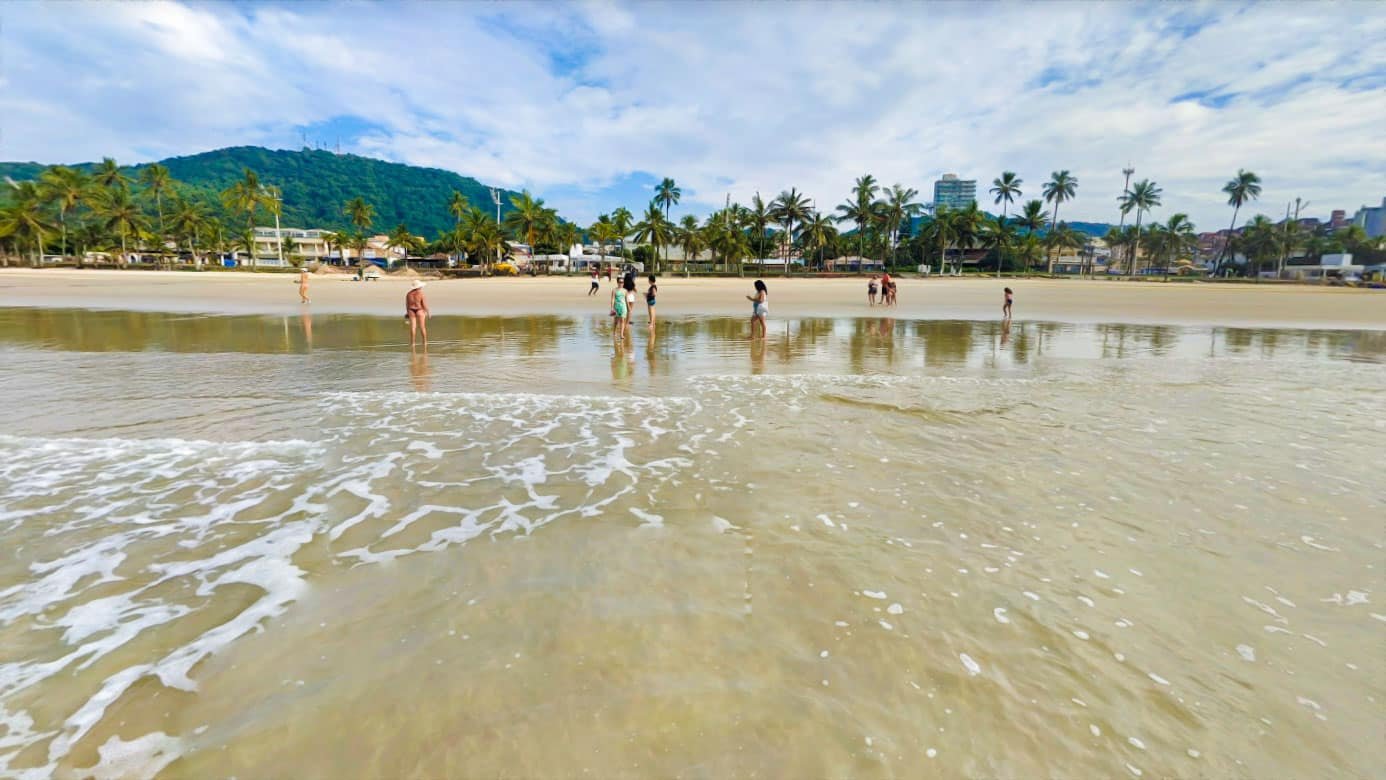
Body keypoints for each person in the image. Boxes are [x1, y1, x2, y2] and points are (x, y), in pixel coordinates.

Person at [405, 279, 429, 349]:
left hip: (411, 310)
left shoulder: (408, 294)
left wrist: (407, 312)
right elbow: (424, 304)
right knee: (422, 327)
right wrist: (428, 312)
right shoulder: (421, 293)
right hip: (419, 310)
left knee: (413, 327)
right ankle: (425, 342)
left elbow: (407, 304)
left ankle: (413, 343)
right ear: (419, 287)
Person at [610, 277, 628, 345]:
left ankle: (621, 334)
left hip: (623, 307)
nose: (621, 283)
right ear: (617, 282)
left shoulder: (625, 290)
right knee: (616, 321)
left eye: (622, 282)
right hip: (616, 307)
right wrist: (612, 308)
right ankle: (614, 333)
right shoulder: (614, 290)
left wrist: (628, 307)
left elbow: (626, 300)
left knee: (623, 320)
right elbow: (612, 299)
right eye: (620, 282)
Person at [623, 275, 638, 341]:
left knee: (625, 310)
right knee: (630, 311)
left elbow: (623, 290)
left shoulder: (624, 283)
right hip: (631, 297)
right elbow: (636, 290)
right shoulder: (632, 283)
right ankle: (627, 323)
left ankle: (624, 322)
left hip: (626, 297)